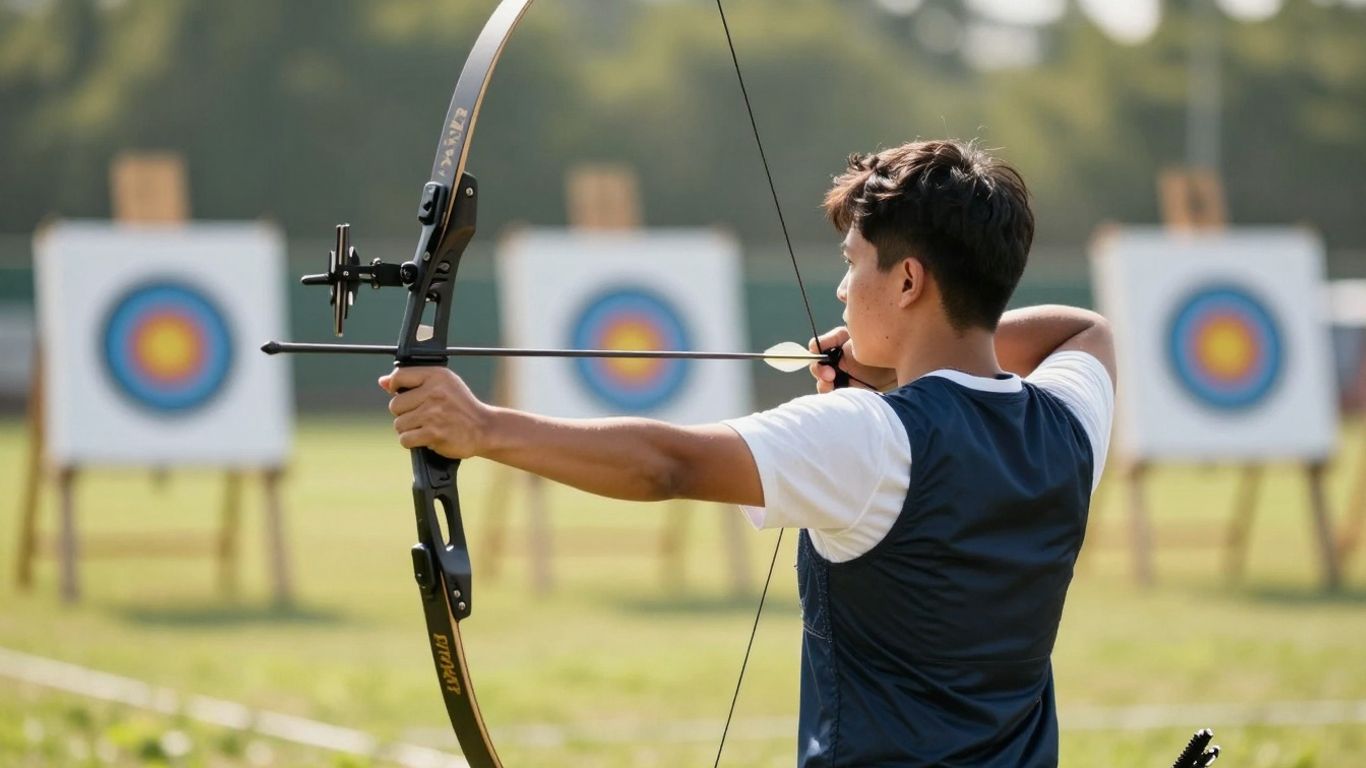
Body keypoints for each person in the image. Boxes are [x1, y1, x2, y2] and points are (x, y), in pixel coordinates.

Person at [379, 138, 1115, 767]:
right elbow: (1087, 332)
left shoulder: (873, 436)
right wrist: (913, 359)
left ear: (910, 280)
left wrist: (482, 428)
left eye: (854, 263)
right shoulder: (1070, 421)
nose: (841, 285)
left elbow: (669, 464)